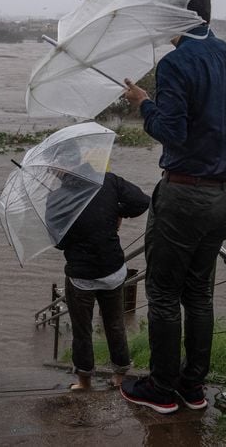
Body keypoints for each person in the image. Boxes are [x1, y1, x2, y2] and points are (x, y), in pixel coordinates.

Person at [119, 0, 226, 413]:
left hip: (183, 196)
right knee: (198, 293)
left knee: (163, 293)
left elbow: (173, 134)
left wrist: (144, 104)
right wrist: (220, 120)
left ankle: (162, 390)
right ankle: (192, 388)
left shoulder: (176, 63)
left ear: (177, 13)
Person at [49, 166, 149, 391]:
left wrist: (68, 220)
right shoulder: (108, 180)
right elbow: (142, 202)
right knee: (115, 324)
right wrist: (118, 212)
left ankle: (84, 381)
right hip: (113, 269)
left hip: (81, 276)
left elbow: (59, 242)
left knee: (81, 329)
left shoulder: (57, 198)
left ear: (59, 170)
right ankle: (121, 376)